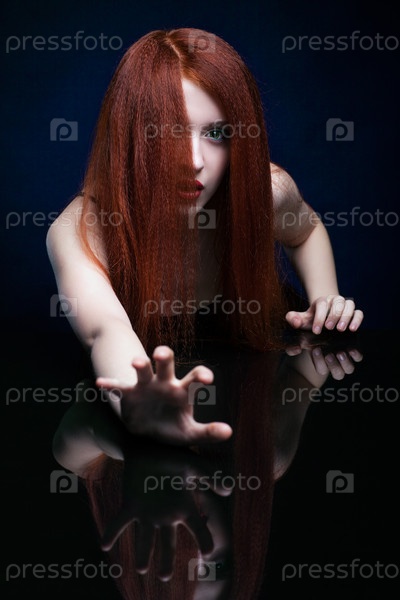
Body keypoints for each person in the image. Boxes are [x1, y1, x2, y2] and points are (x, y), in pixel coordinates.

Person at [46, 27, 364, 446]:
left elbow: (305, 231)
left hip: (257, 372)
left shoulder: (265, 193)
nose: (194, 160)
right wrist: (142, 409)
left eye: (216, 134)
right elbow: (105, 329)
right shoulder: (83, 228)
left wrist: (325, 300)